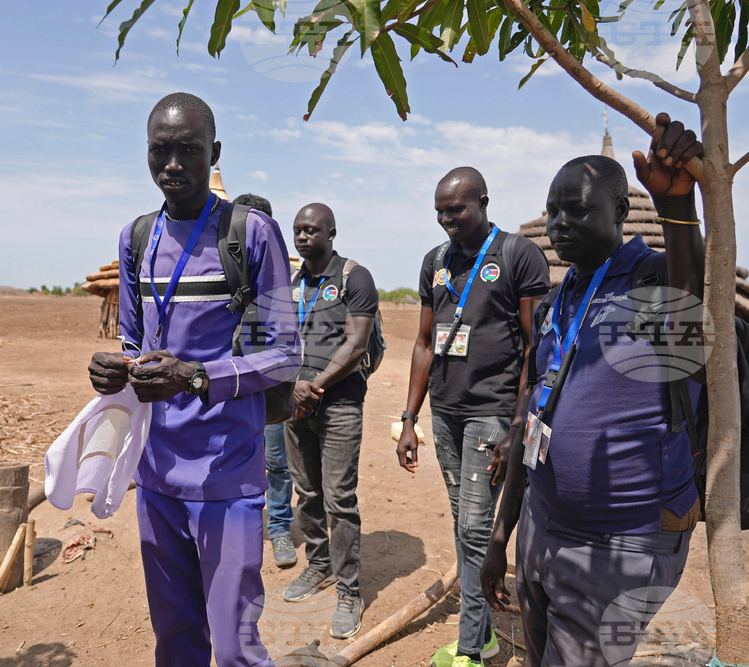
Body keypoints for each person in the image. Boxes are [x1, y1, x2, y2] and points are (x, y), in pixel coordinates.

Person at [479, 114, 705, 667]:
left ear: (621, 212)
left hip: (619, 544)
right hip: (540, 524)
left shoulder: (653, 280)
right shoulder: (560, 300)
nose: (557, 223)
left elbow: (689, 299)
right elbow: (531, 420)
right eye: (552, 210)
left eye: (576, 209)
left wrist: (677, 207)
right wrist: (500, 537)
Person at [88, 93, 300, 667]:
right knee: (176, 639)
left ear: (216, 153)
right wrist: (113, 369)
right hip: (155, 473)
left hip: (227, 472)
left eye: (189, 150)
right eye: (161, 150)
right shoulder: (137, 238)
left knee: (233, 645)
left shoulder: (249, 234)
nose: (173, 164)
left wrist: (198, 376)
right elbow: (134, 343)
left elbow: (285, 354)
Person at [397, 167, 550, 667]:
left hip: (493, 411)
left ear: (483, 202)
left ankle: (469, 650)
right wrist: (408, 417)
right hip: (445, 413)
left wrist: (516, 425)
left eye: (456, 209)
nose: (446, 219)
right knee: (466, 522)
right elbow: (423, 343)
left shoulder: (516, 255)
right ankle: (483, 633)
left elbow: (534, 348)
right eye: (440, 211)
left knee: (476, 527)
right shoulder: (435, 262)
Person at [283, 203, 379, 639]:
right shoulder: (290, 283)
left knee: (339, 498)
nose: (303, 237)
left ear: (331, 232)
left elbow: (357, 344)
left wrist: (313, 385)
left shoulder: (353, 277)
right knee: (307, 492)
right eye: (298, 231)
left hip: (338, 405)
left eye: (311, 230)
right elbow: (278, 341)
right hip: (293, 405)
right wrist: (290, 389)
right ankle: (318, 565)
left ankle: (349, 590)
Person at [233, 192, 298, 569]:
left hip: (269, 387)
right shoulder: (221, 271)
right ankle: (240, 530)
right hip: (224, 386)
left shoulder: (282, 279)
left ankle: (278, 529)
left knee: (275, 463)